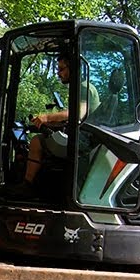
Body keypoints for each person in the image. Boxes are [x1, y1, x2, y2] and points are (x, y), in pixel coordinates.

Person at [19, 55, 100, 191]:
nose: (58, 73)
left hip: (84, 141)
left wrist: (47, 118)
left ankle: (27, 186)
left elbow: (77, 114)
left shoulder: (84, 87)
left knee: (36, 142)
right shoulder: (80, 86)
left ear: (74, 69)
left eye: (62, 69)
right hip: (84, 137)